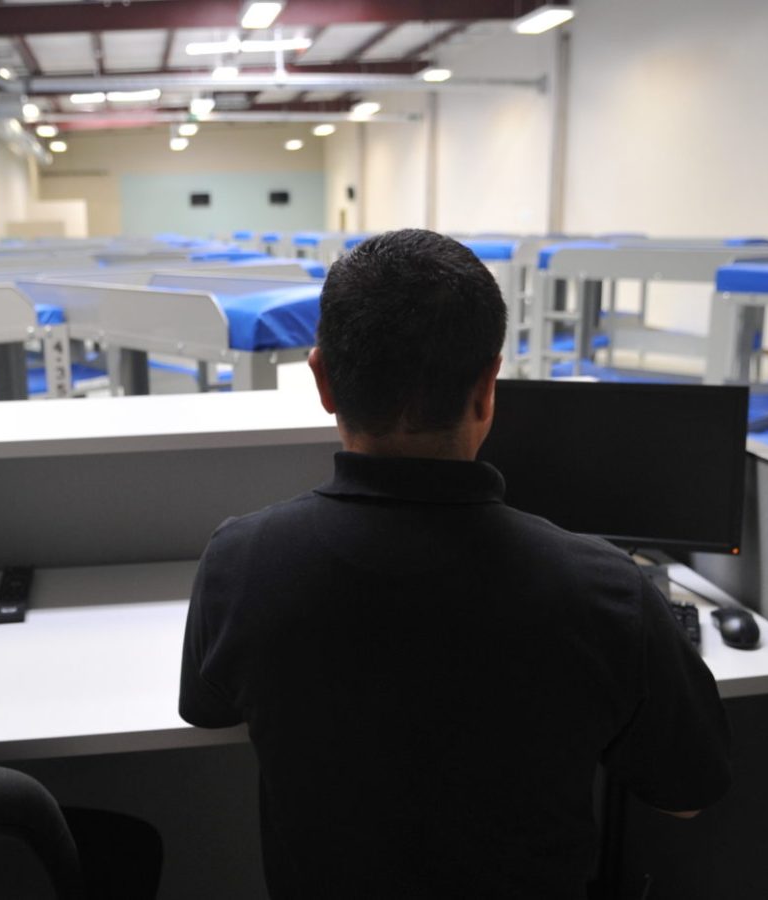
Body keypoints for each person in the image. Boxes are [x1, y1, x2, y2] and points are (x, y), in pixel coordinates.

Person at [179, 229, 731, 898]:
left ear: (322, 380)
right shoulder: (608, 593)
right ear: (487, 390)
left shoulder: (239, 562)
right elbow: (686, 796)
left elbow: (207, 712)